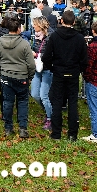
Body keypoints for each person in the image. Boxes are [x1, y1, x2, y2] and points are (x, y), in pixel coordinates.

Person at [41, 10, 88, 141]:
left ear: (62, 21)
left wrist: (53, 68)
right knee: (72, 103)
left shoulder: (55, 36)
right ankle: (72, 134)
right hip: (71, 73)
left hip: (60, 73)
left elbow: (46, 57)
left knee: (57, 103)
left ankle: (56, 133)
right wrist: (78, 70)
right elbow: (84, 60)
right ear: (73, 22)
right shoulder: (79, 38)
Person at [0, 16, 35, 138]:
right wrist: (30, 76)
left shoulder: (0, 42)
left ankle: (8, 127)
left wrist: (1, 74)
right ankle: (22, 128)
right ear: (18, 29)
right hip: (21, 77)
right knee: (22, 102)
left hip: (6, 76)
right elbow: (31, 64)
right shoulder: (24, 44)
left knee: (7, 102)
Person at [30, 16, 53, 131]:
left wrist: (38, 56)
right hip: (37, 68)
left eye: (35, 24)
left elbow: (51, 54)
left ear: (41, 25)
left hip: (47, 69)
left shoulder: (50, 37)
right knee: (34, 94)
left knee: (44, 95)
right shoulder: (36, 36)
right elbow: (35, 48)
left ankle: (50, 118)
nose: (33, 26)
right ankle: (47, 110)